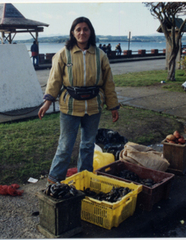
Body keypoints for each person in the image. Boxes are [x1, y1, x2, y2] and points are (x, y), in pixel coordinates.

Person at [38, 16, 120, 185]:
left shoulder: (100, 55)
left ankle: (85, 179)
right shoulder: (63, 54)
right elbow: (55, 80)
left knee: (88, 145)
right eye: (78, 29)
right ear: (73, 33)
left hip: (93, 107)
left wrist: (113, 106)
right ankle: (53, 182)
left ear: (90, 32)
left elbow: (108, 83)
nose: (82, 32)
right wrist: (47, 102)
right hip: (70, 106)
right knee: (65, 146)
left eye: (85, 29)